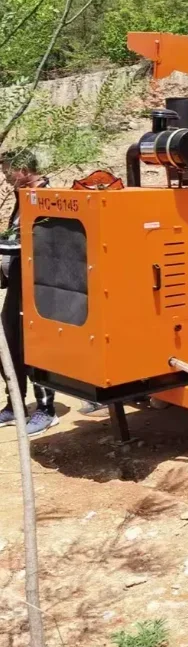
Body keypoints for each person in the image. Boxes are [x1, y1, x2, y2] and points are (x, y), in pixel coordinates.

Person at [0, 149, 58, 436]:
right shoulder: (20, 197)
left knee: (36, 347)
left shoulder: (46, 198)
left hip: (38, 286)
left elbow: (35, 246)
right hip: (16, 285)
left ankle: (46, 409)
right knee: (10, 343)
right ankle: (15, 404)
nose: (5, 176)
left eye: (8, 170)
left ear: (23, 169)